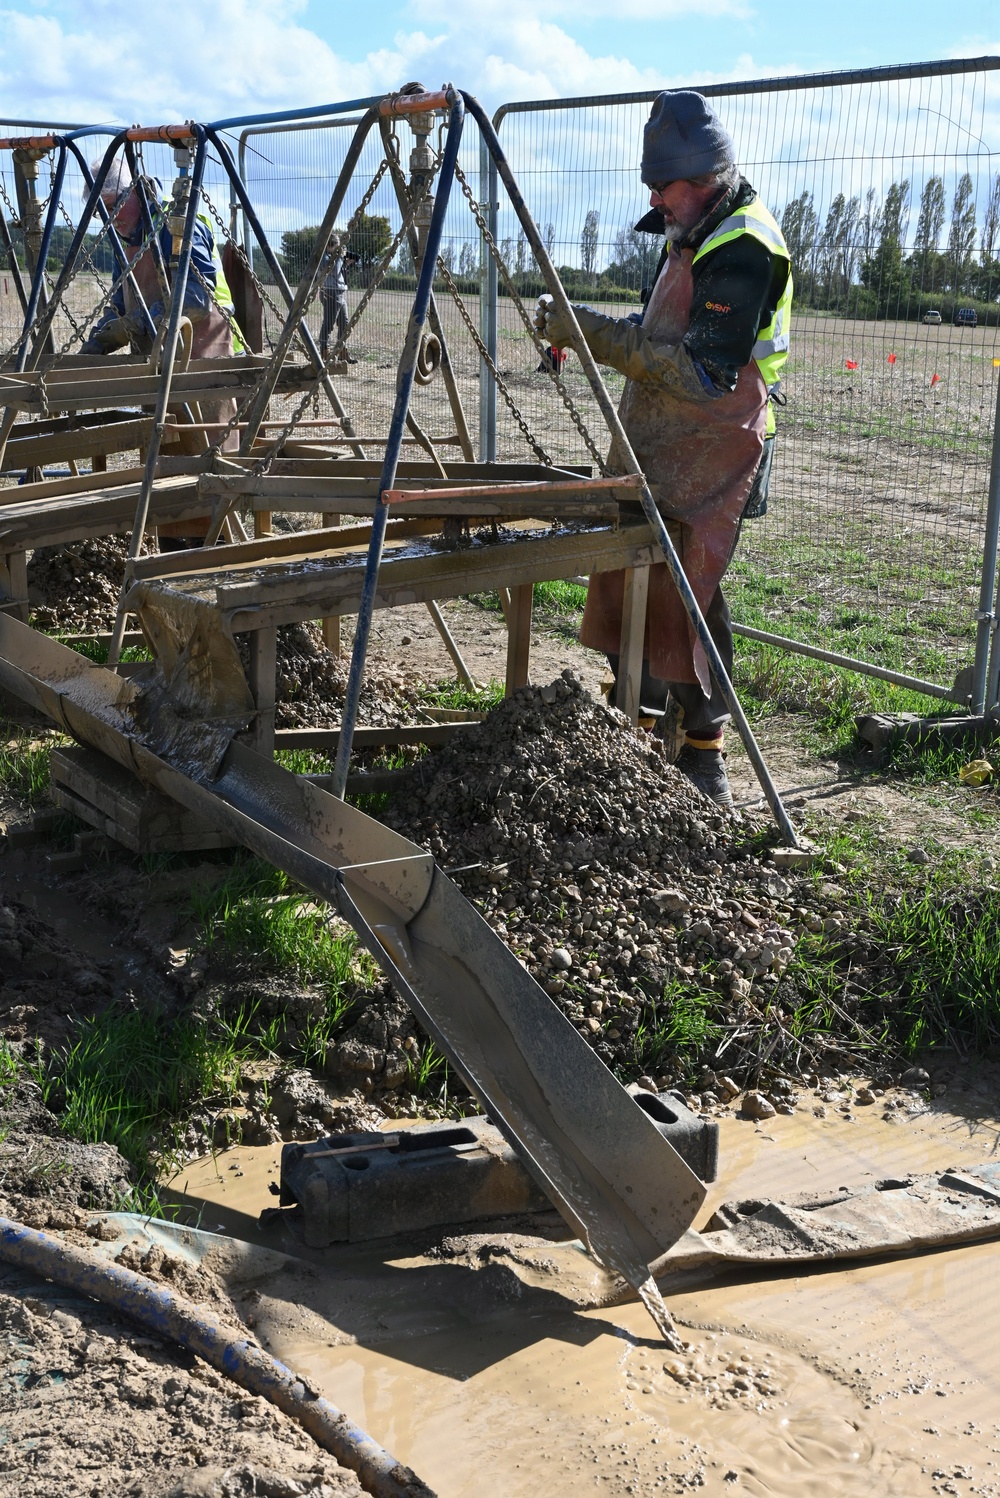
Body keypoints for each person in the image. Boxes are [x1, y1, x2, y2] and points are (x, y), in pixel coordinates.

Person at [535, 90, 792, 807]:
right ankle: (635, 732)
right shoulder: (693, 228)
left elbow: (705, 372)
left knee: (691, 593)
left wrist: (591, 334)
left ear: (701, 175)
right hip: (661, 441)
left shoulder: (742, 244)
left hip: (718, 448)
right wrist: (592, 328)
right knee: (635, 575)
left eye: (661, 183)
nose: (652, 196)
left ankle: (704, 756)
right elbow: (660, 333)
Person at [81, 157, 242, 547]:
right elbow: (123, 304)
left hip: (204, 361)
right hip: (159, 369)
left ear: (134, 191)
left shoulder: (180, 225)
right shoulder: (127, 239)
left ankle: (220, 551)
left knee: (209, 465)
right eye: (100, 210)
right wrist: (97, 343)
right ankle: (172, 554)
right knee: (165, 469)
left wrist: (140, 324)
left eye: (112, 205)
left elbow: (196, 299)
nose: (108, 217)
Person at [319, 246, 359, 362]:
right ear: (330, 246)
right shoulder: (324, 257)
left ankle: (342, 351)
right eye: (336, 245)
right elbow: (335, 272)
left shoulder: (335, 257)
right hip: (330, 292)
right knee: (329, 323)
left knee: (344, 323)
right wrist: (340, 257)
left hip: (340, 292)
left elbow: (339, 272)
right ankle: (324, 351)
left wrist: (346, 264)